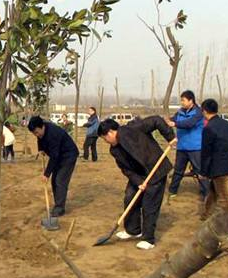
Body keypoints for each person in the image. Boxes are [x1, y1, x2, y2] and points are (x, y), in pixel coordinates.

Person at [97, 117, 176, 250]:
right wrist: (138, 182)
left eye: (105, 138)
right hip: (138, 175)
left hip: (155, 169)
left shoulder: (133, 128)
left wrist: (170, 136)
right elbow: (125, 169)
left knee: (149, 204)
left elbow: (156, 120)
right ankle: (133, 230)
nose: (105, 141)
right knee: (129, 197)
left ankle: (149, 239)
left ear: (110, 132)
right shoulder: (114, 150)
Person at [28, 116, 79, 221]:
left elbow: (54, 156)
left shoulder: (53, 133)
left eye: (37, 132)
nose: (36, 135)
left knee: (60, 180)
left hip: (68, 156)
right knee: (54, 181)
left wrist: (46, 174)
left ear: (42, 126)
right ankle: (58, 204)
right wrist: (41, 149)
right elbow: (40, 138)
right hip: (58, 156)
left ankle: (59, 208)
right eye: (34, 133)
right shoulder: (42, 131)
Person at [164, 90, 208, 201]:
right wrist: (167, 120)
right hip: (182, 147)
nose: (182, 103)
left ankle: (206, 193)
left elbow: (189, 124)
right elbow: (173, 120)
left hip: (195, 148)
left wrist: (175, 124)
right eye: (181, 100)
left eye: (183, 100)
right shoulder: (180, 112)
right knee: (178, 170)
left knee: (199, 171)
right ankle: (172, 191)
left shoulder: (198, 113)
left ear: (191, 100)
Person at [199, 98, 228, 221]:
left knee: (224, 197)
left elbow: (206, 152)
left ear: (204, 111)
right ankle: (206, 214)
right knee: (213, 190)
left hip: (219, 167)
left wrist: (203, 172)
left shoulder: (208, 128)